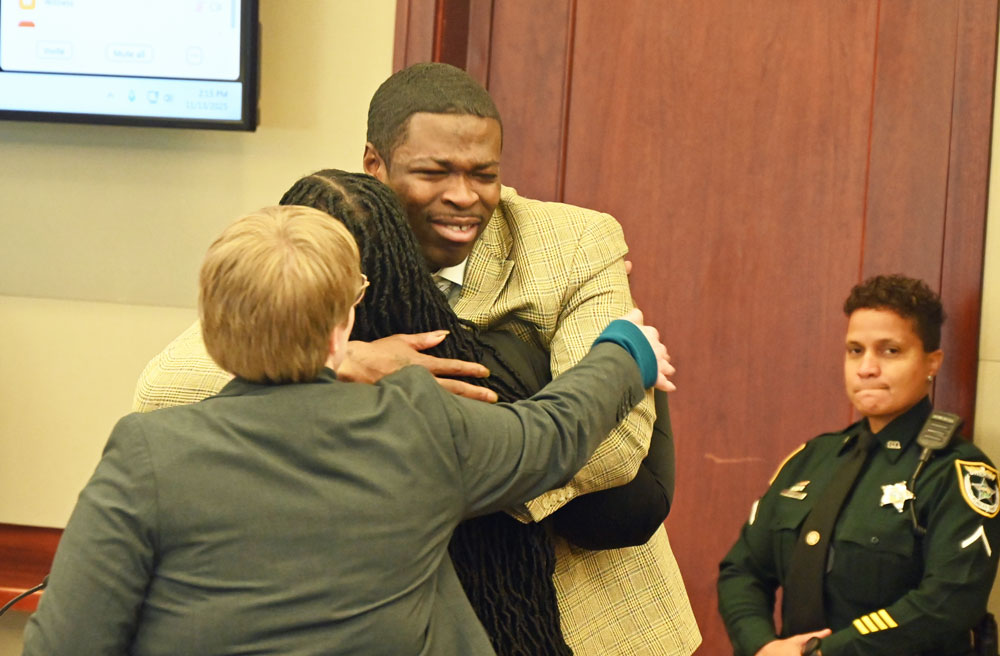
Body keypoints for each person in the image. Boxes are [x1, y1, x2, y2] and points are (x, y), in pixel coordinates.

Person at [134, 63, 700, 655]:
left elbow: (616, 442)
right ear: (374, 165)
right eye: (435, 172)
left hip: (585, 619)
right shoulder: (323, 237)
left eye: (484, 175)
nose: (464, 197)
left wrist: (435, 478)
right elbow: (167, 387)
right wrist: (340, 365)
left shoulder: (574, 243)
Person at [22, 204, 673, 656]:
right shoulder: (418, 424)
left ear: (212, 334)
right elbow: (552, 435)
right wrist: (626, 351)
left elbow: (66, 643)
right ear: (343, 328)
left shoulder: (147, 452)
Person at [717, 274, 1000, 656]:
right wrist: (762, 647)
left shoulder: (954, 472)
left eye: (890, 351)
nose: (866, 368)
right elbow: (743, 570)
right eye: (855, 350)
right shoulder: (811, 460)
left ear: (932, 362)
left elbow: (947, 603)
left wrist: (822, 653)